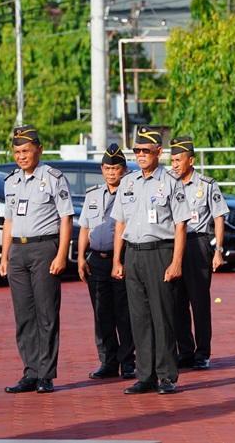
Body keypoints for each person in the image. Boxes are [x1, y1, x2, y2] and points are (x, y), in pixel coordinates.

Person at [111, 126, 191, 395]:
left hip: (160, 252)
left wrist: (177, 261)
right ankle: (145, 375)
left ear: (159, 152)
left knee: (163, 316)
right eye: (137, 151)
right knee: (139, 318)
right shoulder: (127, 182)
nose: (141, 155)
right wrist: (117, 260)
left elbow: (181, 225)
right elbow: (120, 223)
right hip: (133, 254)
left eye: (146, 150)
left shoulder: (170, 181)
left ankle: (167, 375)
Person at [0, 125, 73, 394]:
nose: (21, 156)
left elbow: (66, 217)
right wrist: (4, 256)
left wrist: (62, 254)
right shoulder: (10, 181)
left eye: (26, 151)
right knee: (24, 316)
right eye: (17, 151)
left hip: (44, 250)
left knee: (46, 314)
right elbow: (8, 220)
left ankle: (46, 374)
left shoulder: (53, 177)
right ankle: (30, 372)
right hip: (18, 252)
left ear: (38, 150)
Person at [169, 136, 229, 371]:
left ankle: (202, 353)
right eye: (172, 160)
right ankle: (185, 351)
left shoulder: (206, 185)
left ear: (191, 160)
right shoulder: (168, 183)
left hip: (197, 244)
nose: (174, 164)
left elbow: (219, 216)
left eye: (179, 160)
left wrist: (218, 250)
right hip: (174, 244)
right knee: (177, 301)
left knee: (199, 302)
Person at [77, 143, 136, 381]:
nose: (112, 173)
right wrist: (81, 257)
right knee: (102, 314)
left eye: (116, 168)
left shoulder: (131, 194)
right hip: (97, 261)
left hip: (120, 259)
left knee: (124, 313)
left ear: (123, 170)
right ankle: (107, 362)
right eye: (107, 168)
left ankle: (128, 363)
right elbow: (84, 228)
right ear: (102, 169)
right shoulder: (92, 195)